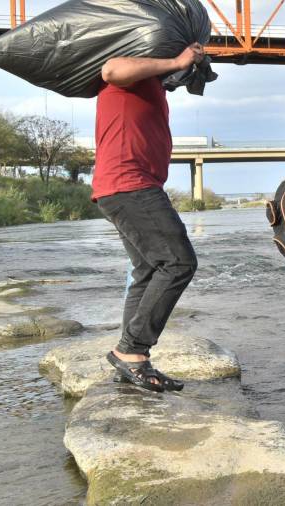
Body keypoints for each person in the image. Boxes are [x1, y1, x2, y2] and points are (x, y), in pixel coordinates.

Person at [93, 43, 206, 392]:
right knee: (178, 262)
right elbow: (110, 69)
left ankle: (132, 360)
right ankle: (131, 351)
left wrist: (183, 70)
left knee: (146, 271)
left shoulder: (151, 84)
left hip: (125, 186)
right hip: (131, 184)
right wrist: (175, 59)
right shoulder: (125, 75)